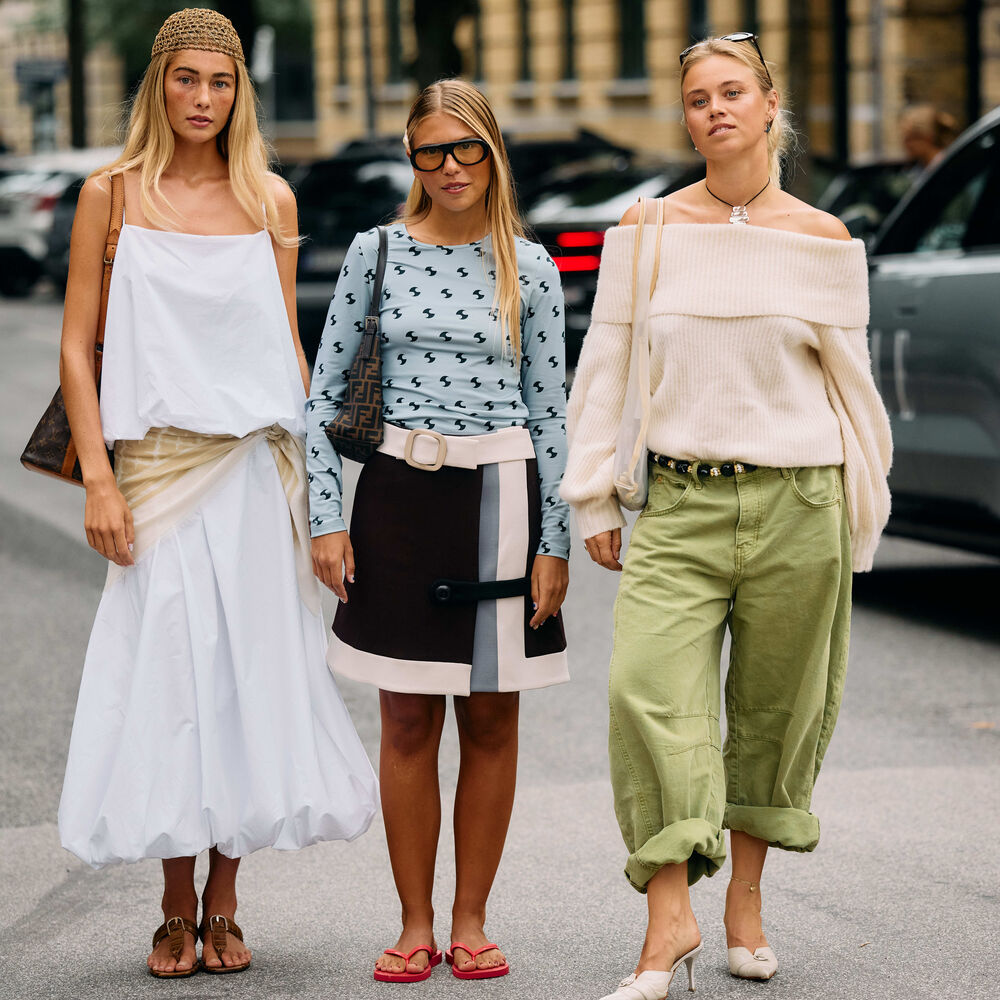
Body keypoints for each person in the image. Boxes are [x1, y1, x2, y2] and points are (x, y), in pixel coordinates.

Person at [560, 34, 892, 999]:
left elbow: (853, 396)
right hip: (680, 499)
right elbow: (608, 368)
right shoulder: (646, 230)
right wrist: (592, 496)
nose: (715, 110)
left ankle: (743, 901)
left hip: (801, 499)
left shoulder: (823, 240)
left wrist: (861, 515)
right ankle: (670, 918)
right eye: (697, 97)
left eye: (732, 92)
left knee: (776, 712)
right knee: (643, 691)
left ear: (769, 103)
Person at [56, 8, 378, 979]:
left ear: (241, 92)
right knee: (167, 683)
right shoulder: (108, 197)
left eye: (222, 82)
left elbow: (285, 358)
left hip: (252, 480)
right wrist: (99, 481)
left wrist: (318, 503)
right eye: (187, 79)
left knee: (244, 683)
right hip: (151, 477)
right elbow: (78, 347)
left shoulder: (269, 199)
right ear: (159, 84)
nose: (203, 99)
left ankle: (226, 907)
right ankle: (171, 906)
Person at [305, 79, 570, 983]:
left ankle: (471, 917)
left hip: (502, 497)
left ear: (495, 151)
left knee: (492, 719)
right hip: (397, 500)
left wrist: (555, 540)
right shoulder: (375, 253)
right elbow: (323, 398)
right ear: (410, 157)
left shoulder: (527, 265)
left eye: (467, 149)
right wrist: (327, 518)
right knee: (408, 720)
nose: (450, 167)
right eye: (430, 151)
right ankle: (415, 922)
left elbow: (552, 412)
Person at [899, 103, 959, 170]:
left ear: (927, 137)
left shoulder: (943, 165)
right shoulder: (921, 166)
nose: (905, 144)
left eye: (909, 139)